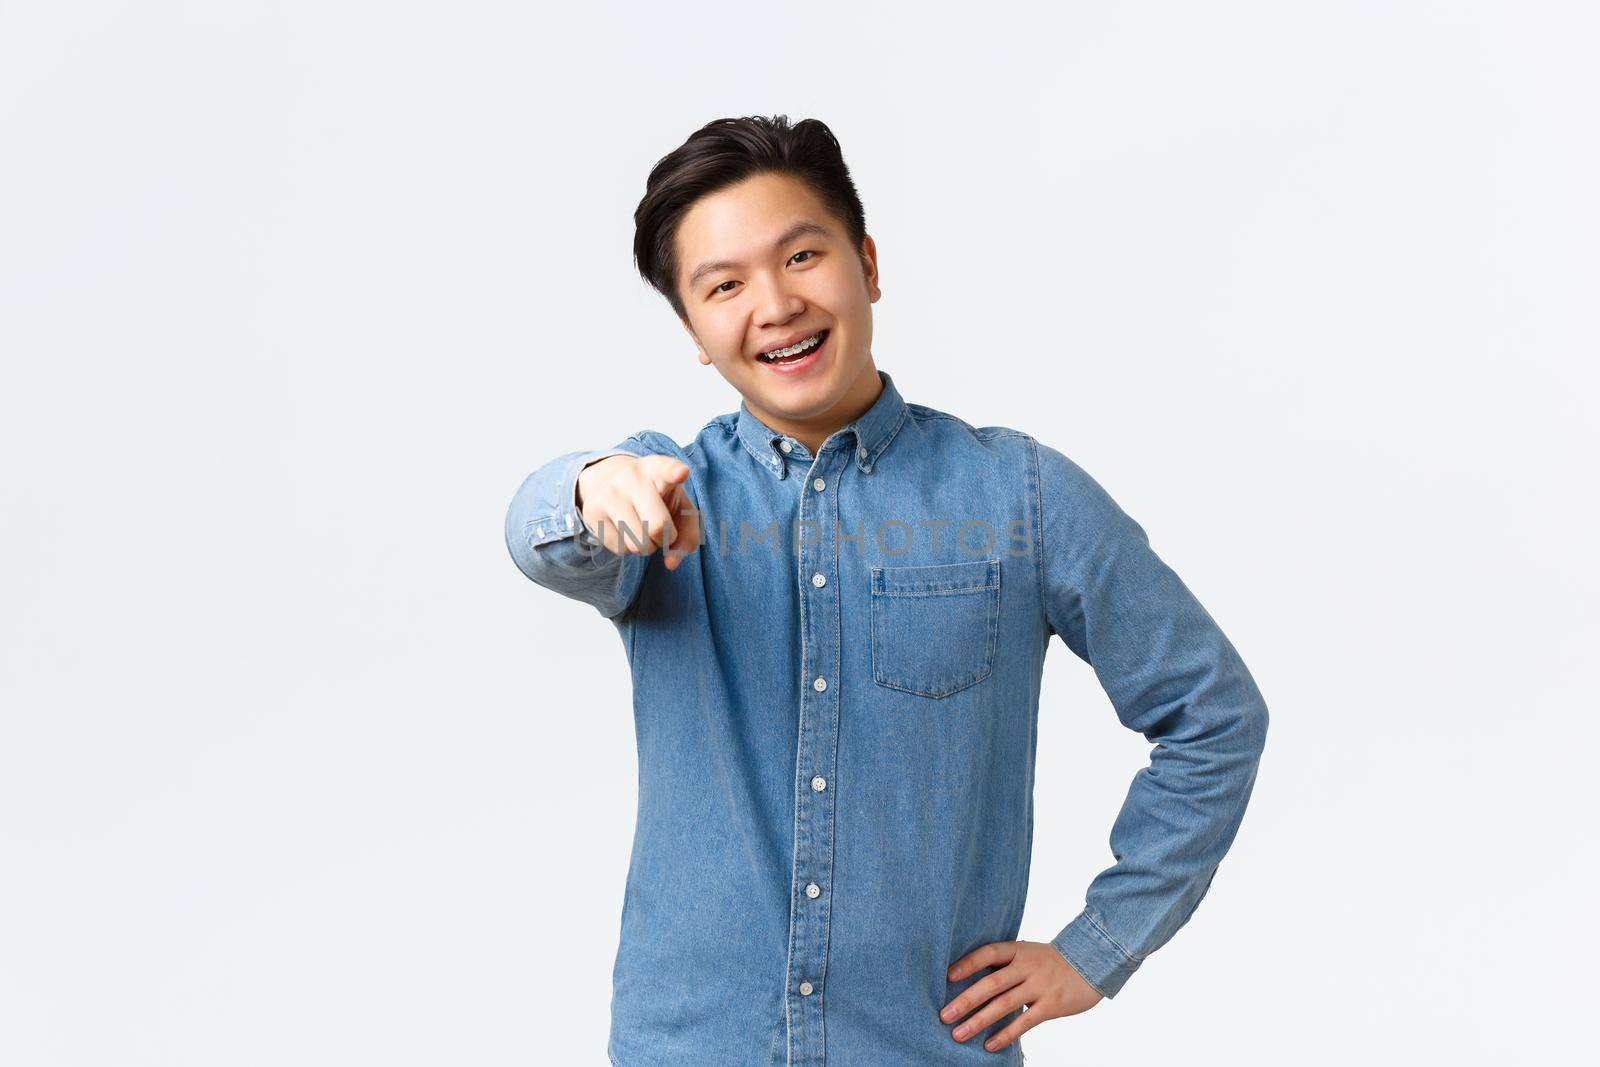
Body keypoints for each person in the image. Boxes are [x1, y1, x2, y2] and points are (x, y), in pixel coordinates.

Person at [504, 114, 1269, 1066]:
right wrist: (590, 484)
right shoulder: (667, 491)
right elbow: (542, 534)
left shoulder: (1019, 494)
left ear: (867, 264)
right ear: (695, 332)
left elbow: (1213, 712)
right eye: (725, 285)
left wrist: (1097, 948)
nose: (775, 304)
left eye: (802, 256)